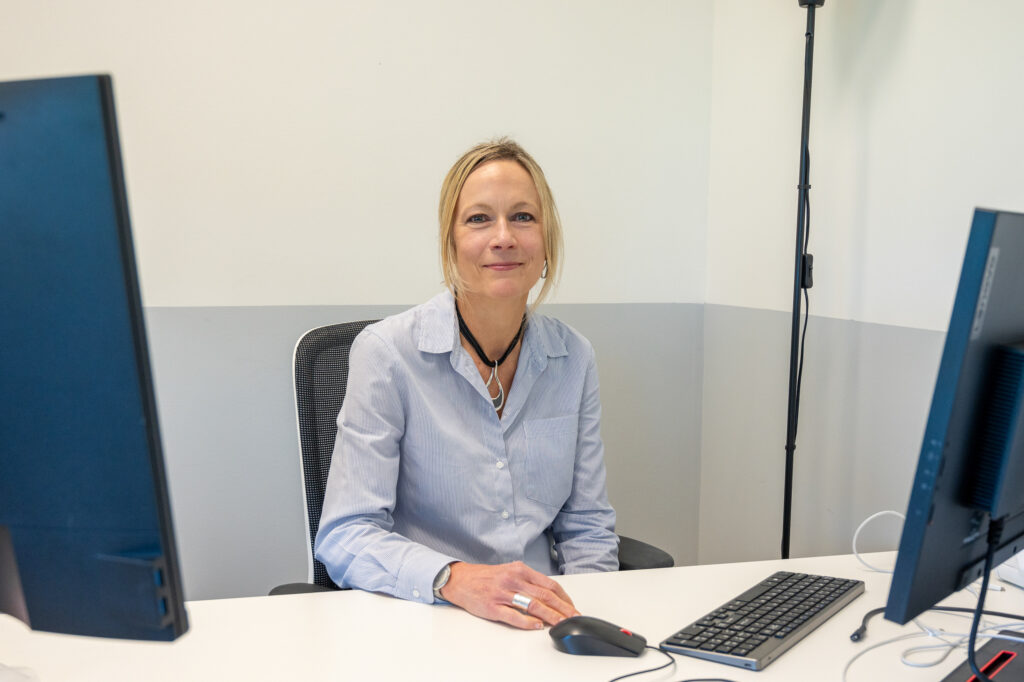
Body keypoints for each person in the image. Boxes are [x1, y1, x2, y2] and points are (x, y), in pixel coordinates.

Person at [314, 138, 618, 630]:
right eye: (479, 219)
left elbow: (587, 528)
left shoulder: (573, 358)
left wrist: (583, 627)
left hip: (540, 627)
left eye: (523, 217)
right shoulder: (387, 354)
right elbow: (346, 534)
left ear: (546, 241)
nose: (504, 237)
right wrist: (453, 578)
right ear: (451, 241)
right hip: (426, 618)